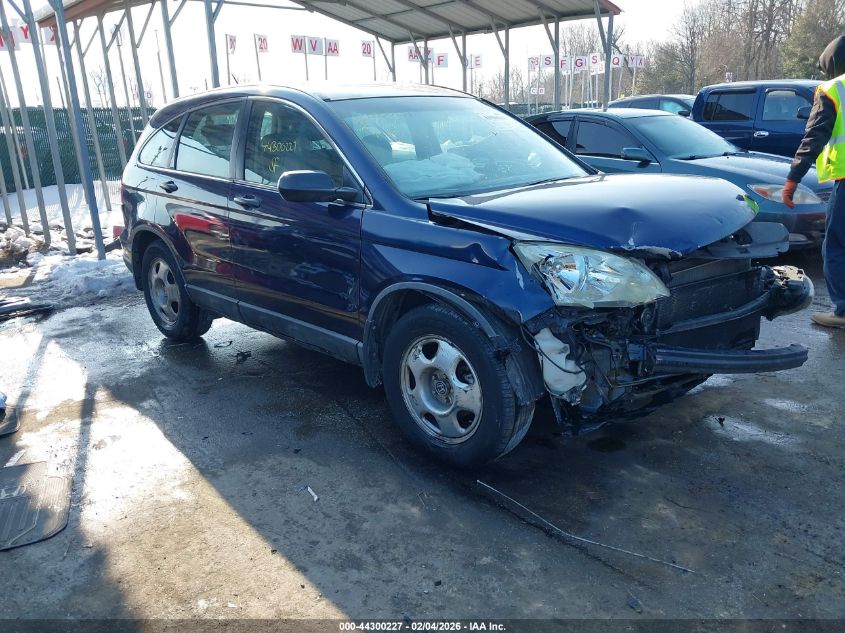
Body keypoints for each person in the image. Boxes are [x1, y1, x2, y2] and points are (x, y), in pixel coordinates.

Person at [783, 35, 845, 328]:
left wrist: (793, 179)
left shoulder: (833, 89)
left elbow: (814, 137)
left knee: (835, 245)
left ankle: (842, 312)